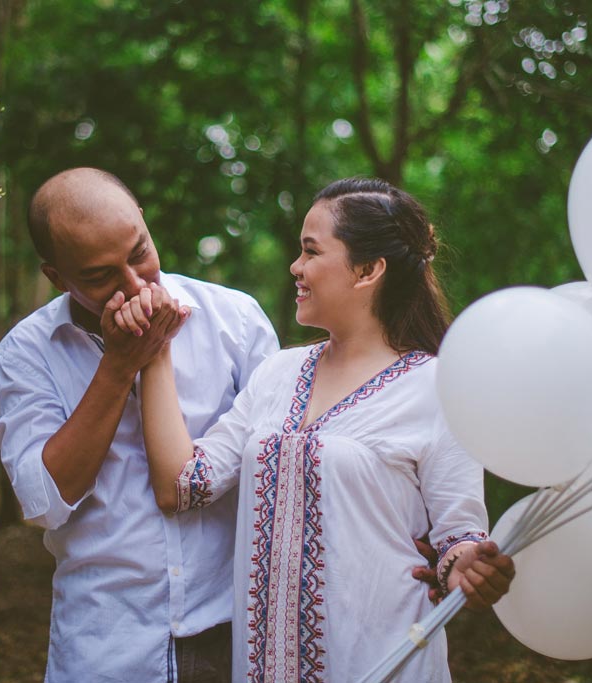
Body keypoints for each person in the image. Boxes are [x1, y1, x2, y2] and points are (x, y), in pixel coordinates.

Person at [116, 177, 515, 682]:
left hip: (381, 661)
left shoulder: (438, 387)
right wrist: (154, 351)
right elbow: (182, 485)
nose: (295, 267)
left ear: (368, 270)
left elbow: (458, 535)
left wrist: (466, 567)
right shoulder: (276, 374)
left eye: (311, 251)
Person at [0, 167, 280, 683]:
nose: (135, 283)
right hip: (106, 643)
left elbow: (279, 475)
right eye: (101, 276)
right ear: (57, 276)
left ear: (143, 223)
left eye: (139, 253)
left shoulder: (235, 321)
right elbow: (43, 504)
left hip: (232, 634)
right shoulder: (25, 353)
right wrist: (120, 365)